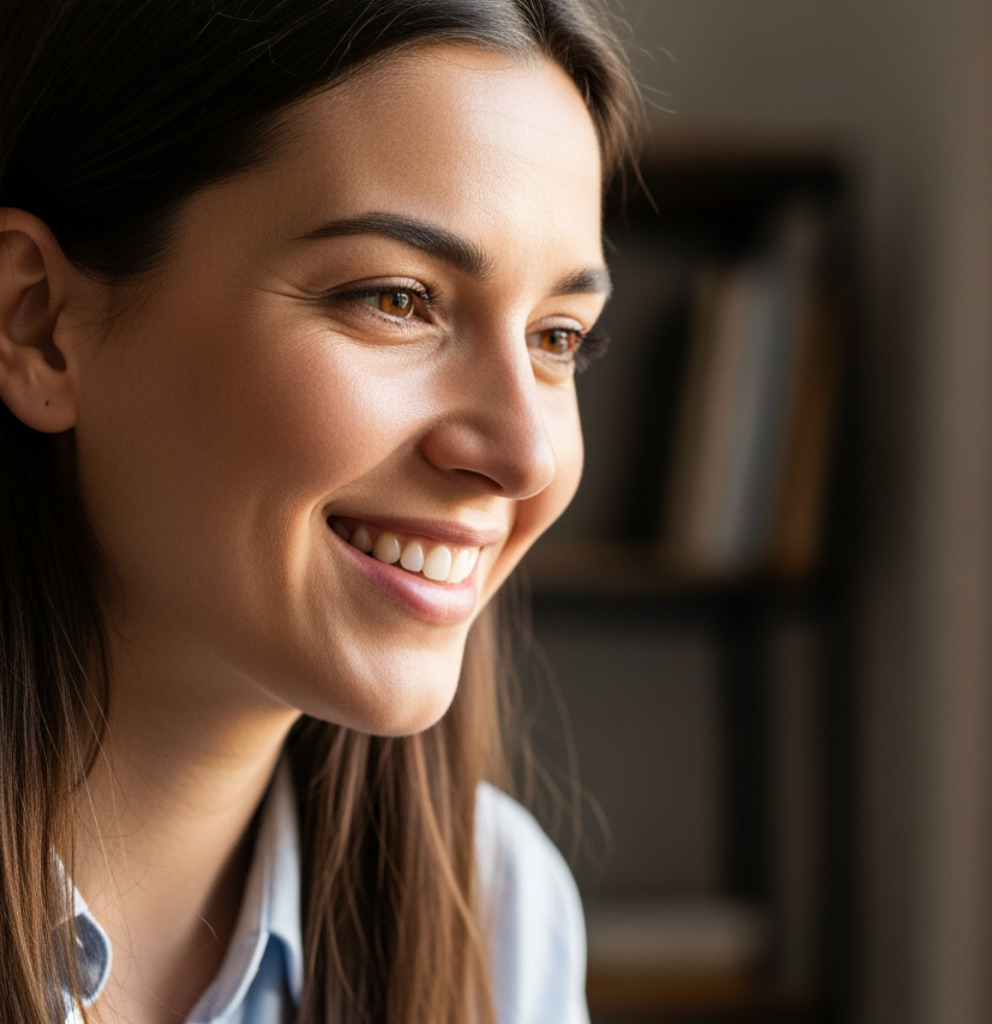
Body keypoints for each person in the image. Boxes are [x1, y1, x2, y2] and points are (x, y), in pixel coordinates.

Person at [0, 1, 638, 1021]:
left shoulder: (502, 921)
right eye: (396, 298)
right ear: (34, 324)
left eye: (558, 337)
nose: (527, 455)